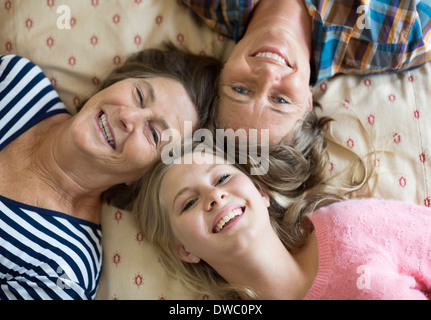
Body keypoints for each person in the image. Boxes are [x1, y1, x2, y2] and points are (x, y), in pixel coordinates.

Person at [0, 47, 222, 300]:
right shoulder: (17, 81)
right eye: (138, 95)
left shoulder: (64, 272)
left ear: (146, 178)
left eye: (153, 134)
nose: (127, 115)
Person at [134, 139, 431, 300]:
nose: (214, 196)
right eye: (188, 202)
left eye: (223, 178)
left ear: (261, 192)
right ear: (186, 250)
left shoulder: (349, 226)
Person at [184, 0, 431, 144]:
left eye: (240, 90)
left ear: (221, 73)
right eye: (280, 100)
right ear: (308, 101)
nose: (268, 74)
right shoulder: (395, 37)